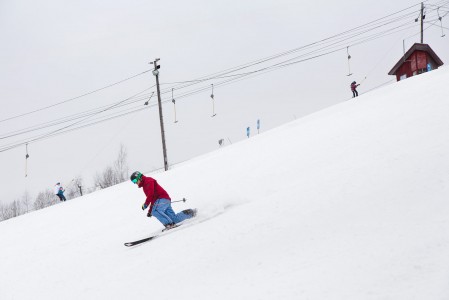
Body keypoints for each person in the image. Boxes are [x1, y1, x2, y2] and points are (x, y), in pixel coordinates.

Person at [130, 171, 196, 230]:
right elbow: (152, 199)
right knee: (174, 219)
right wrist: (150, 211)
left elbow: (150, 195)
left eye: (135, 180)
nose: (135, 183)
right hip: (164, 200)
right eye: (133, 182)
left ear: (139, 177)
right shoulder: (145, 185)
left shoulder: (148, 181)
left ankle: (169, 224)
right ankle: (190, 212)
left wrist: (146, 204)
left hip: (162, 199)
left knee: (155, 211)